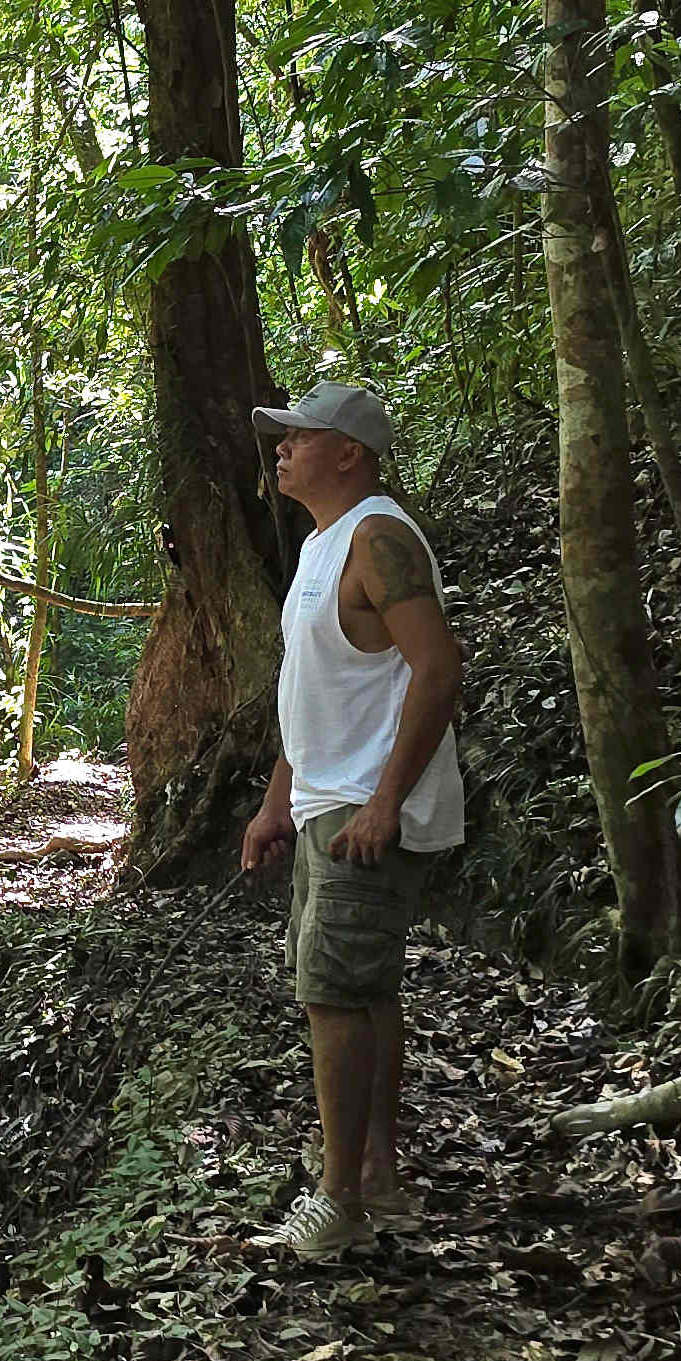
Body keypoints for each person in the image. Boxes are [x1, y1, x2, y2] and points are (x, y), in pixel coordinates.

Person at [238, 381, 465, 1265]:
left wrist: (383, 801)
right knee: (360, 992)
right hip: (324, 802)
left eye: (300, 436)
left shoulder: (378, 536)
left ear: (350, 453)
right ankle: (374, 1176)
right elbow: (314, 694)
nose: (283, 448)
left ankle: (339, 1200)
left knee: (332, 994)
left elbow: (438, 668)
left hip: (365, 807)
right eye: (282, 437)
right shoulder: (321, 545)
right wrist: (275, 802)